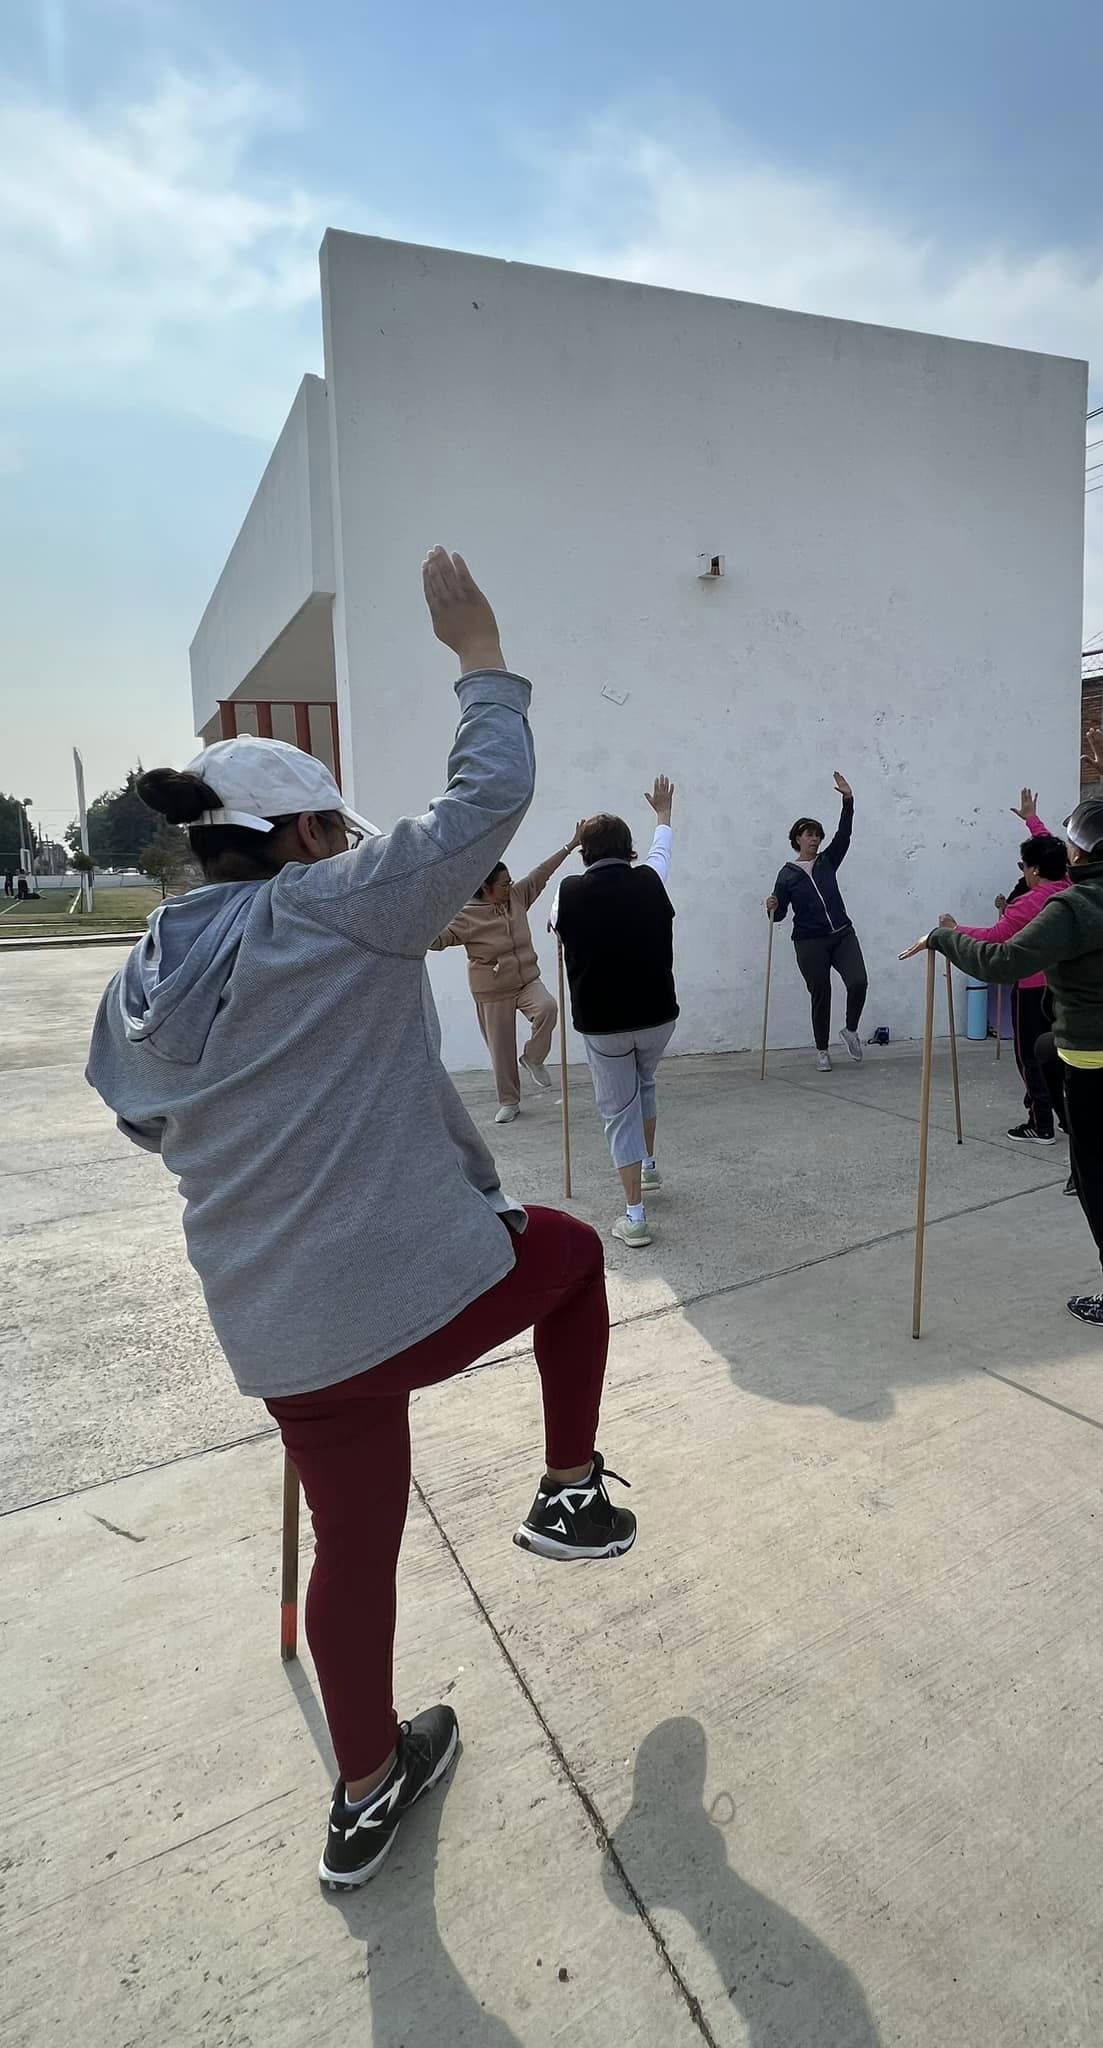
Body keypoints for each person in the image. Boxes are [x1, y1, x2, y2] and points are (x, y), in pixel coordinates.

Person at [85, 548, 636, 1894]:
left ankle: (366, 1785)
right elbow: (489, 794)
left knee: (355, 1544)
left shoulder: (140, 975)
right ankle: (568, 1492)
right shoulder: (331, 898)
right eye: (341, 827)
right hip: (405, 1283)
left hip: (277, 1332)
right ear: (310, 836)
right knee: (571, 1259)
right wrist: (478, 645)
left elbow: (146, 1125)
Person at [914, 729, 1103, 1336]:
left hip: (1101, 1061)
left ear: (1078, 856)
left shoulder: (1070, 910)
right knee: (1041, 1048)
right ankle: (1066, 1134)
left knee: (1099, 1174)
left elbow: (1003, 962)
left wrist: (942, 938)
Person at [554, 779, 677, 1250]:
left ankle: (635, 1216)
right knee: (644, 1085)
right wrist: (664, 815)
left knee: (618, 1112)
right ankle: (647, 1167)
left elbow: (555, 927)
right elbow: (661, 853)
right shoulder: (649, 878)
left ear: (586, 852)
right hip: (658, 1015)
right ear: (628, 849)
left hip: (603, 1022)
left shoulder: (568, 892)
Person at [431, 831, 580, 1123]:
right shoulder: (466, 916)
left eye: (510, 880)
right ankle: (509, 1101)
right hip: (492, 990)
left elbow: (542, 873)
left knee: (548, 1008)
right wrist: (414, 928)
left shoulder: (516, 896)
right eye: (503, 883)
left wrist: (570, 845)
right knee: (502, 1050)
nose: (509, 885)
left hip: (526, 980)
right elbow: (439, 939)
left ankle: (533, 1057)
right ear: (485, 888)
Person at [938, 824, 1072, 1144]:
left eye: (1024, 866)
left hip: (1032, 989)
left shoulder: (1027, 904)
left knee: (1030, 1057)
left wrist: (955, 930)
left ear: (1035, 870)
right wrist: (1032, 820)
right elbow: (1051, 849)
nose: (1023, 872)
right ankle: (1066, 1117)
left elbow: (995, 938)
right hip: (1065, 988)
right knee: (1058, 1053)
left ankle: (1040, 1124)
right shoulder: (1068, 887)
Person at [767, 772, 866, 1072]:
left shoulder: (827, 861)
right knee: (821, 992)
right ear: (797, 839)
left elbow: (844, 834)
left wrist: (848, 800)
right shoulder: (786, 874)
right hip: (809, 942)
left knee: (858, 981)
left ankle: (850, 1030)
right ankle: (822, 1050)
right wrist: (772, 906)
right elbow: (781, 914)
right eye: (809, 834)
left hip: (842, 934)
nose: (814, 839)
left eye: (817, 835)